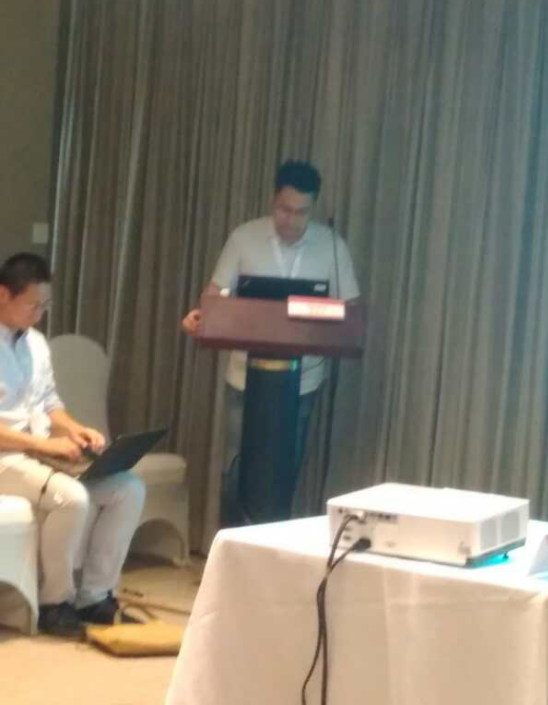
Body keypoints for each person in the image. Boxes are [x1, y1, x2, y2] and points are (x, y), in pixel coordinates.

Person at [182, 159, 360, 514]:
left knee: (284, 471)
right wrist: (201, 315)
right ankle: (232, 539)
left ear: (313, 207)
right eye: (284, 209)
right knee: (236, 469)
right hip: (245, 377)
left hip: (302, 381)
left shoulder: (331, 246)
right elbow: (215, 295)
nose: (291, 220)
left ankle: (274, 541)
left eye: (301, 212)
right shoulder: (244, 238)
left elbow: (350, 310)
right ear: (273, 200)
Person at [0, 253, 146, 638]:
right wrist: (45, 445)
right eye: (32, 305)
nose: (39, 314)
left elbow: (50, 404)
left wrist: (77, 430)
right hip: (6, 458)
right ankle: (55, 603)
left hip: (38, 453)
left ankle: (95, 596)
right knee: (72, 498)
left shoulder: (36, 343)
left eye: (45, 306)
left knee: (129, 489)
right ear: (3, 295)